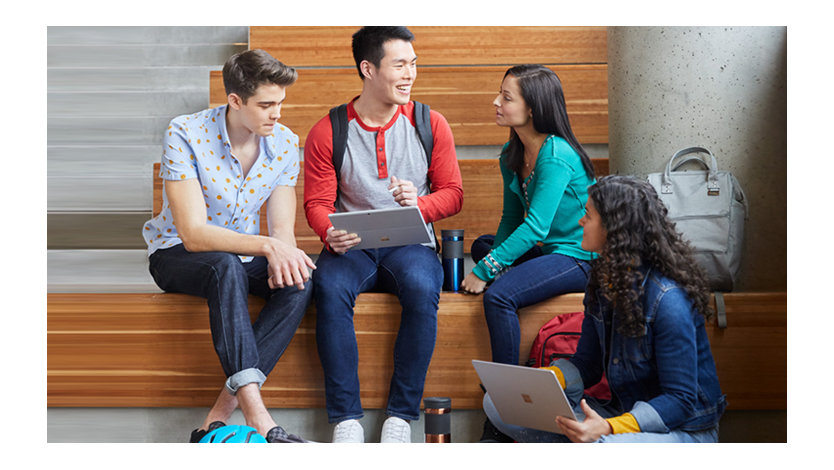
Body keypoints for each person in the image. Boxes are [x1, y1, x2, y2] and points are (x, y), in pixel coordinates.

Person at [142, 49, 315, 443]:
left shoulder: (285, 143)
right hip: (176, 255)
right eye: (266, 105)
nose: (277, 114)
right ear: (235, 101)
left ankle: (219, 414)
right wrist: (267, 246)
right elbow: (193, 234)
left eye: (281, 104)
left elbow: (282, 229)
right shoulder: (185, 133)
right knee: (225, 265)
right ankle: (258, 415)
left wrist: (282, 254)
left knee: (301, 279)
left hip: (239, 255)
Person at [303, 26, 463, 443]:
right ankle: (346, 420)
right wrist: (328, 231)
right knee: (329, 286)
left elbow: (453, 194)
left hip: (410, 245)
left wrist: (420, 206)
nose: (410, 74)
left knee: (422, 285)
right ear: (368, 68)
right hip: (352, 246)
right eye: (400, 65)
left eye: (413, 64)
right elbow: (317, 204)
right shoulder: (329, 130)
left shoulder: (431, 123)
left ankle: (401, 417)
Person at [483, 175, 727, 443]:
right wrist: (546, 380)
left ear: (613, 227)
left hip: (682, 430)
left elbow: (679, 401)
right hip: (621, 413)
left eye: (587, 215)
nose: (580, 222)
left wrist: (608, 428)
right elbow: (586, 364)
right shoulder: (602, 281)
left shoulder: (667, 300)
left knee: (597, 446)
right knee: (497, 404)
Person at [461, 65, 596, 362]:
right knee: (484, 245)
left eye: (506, 98)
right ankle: (513, 276)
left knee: (499, 297)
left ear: (532, 109)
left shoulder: (556, 155)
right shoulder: (512, 152)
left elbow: (535, 227)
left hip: (580, 258)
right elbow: (511, 219)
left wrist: (485, 271)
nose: (496, 102)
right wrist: (492, 261)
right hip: (551, 250)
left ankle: (504, 393)